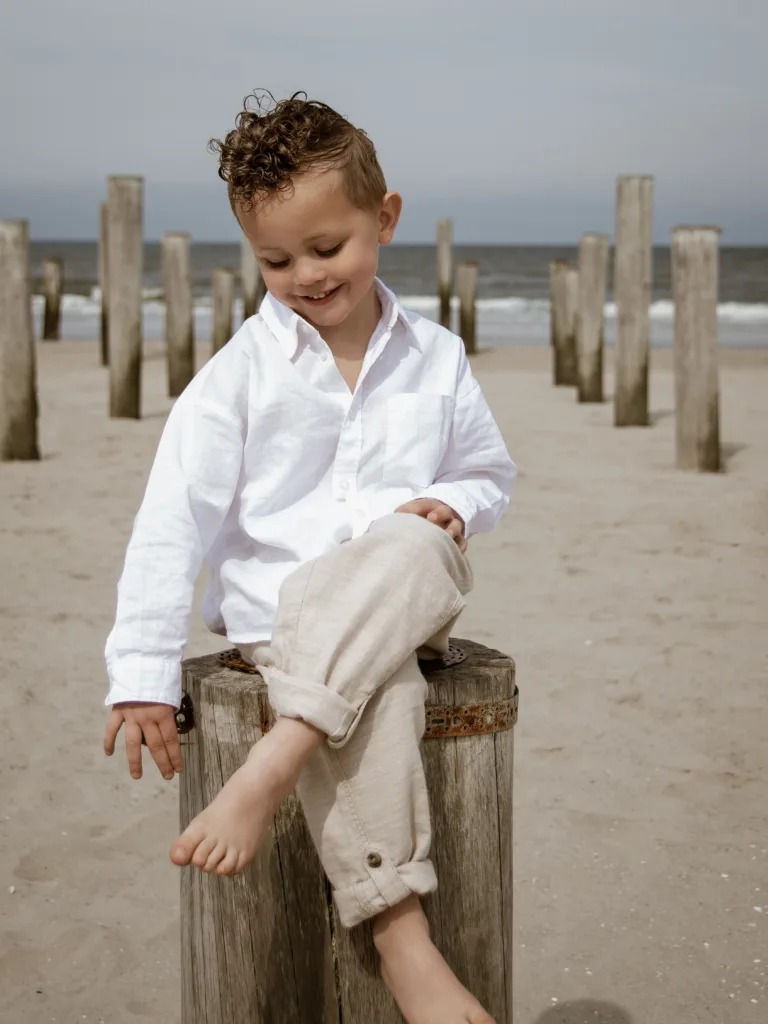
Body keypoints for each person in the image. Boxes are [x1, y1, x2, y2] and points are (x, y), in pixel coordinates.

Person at [103, 91, 516, 1024]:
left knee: (415, 543)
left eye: (327, 249)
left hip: (402, 603)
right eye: (276, 259)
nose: (305, 275)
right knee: (388, 696)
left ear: (385, 217)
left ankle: (276, 758)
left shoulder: (437, 357)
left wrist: (452, 503)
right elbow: (174, 522)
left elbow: (489, 472)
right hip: (284, 631)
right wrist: (141, 669)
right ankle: (404, 942)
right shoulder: (237, 377)